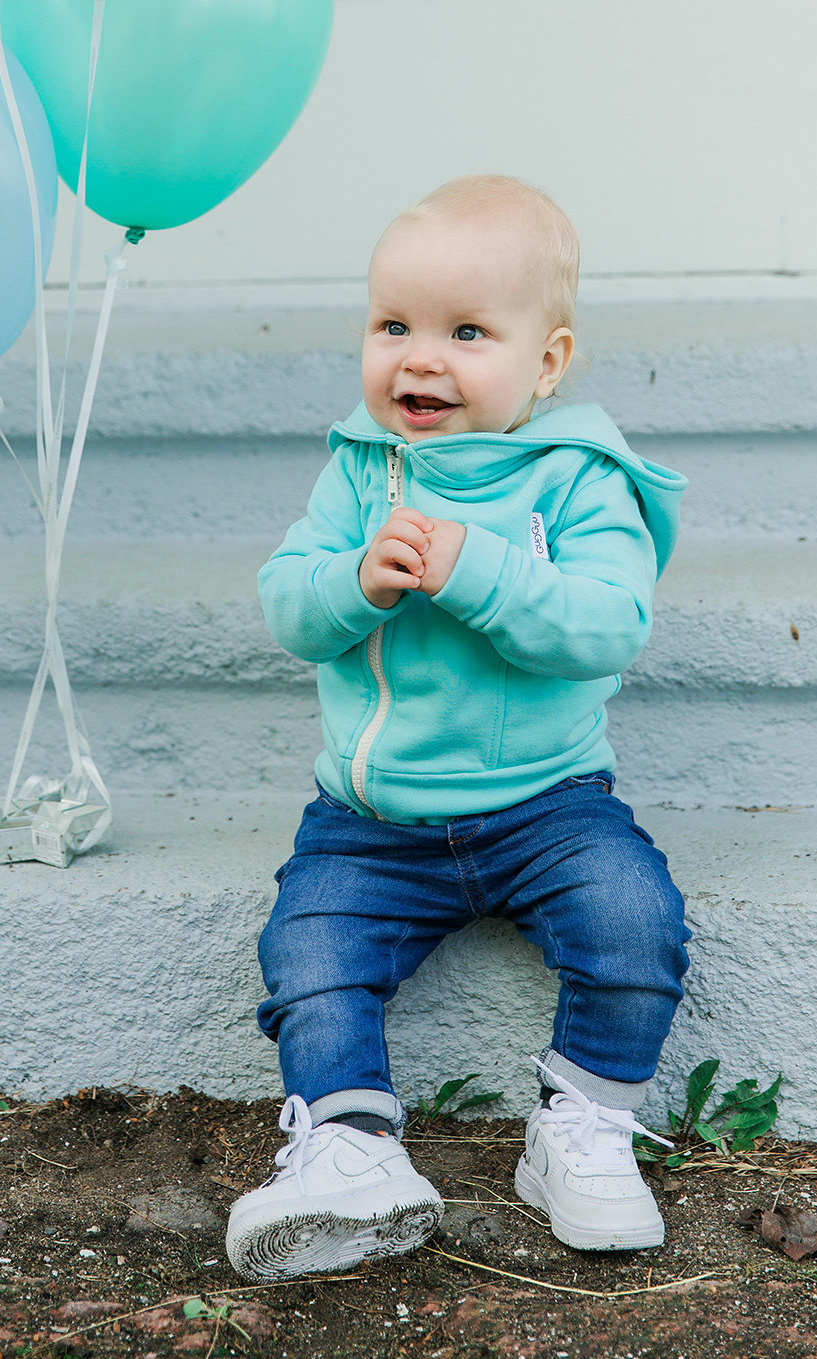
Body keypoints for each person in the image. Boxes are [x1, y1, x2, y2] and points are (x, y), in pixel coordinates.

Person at [225, 175, 689, 1282]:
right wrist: (356, 582)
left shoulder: (577, 476)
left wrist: (477, 567)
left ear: (547, 361)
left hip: (548, 803)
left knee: (635, 922)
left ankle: (582, 1124)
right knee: (310, 950)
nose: (419, 359)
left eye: (465, 331)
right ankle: (347, 1147)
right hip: (371, 817)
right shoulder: (359, 468)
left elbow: (605, 623)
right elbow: (287, 604)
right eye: (394, 326)